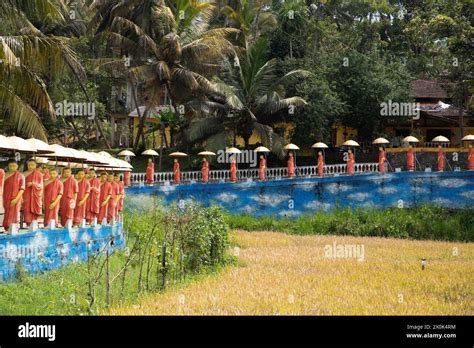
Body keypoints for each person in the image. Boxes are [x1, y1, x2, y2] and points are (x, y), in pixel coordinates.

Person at [2, 161, 25, 232]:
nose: (12, 168)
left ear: (17, 166)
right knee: (7, 212)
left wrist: (16, 199)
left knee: (14, 213)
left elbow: (22, 189)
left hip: (16, 198)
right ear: (8, 166)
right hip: (6, 197)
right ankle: (6, 227)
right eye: (10, 166)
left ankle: (14, 228)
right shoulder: (4, 175)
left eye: (14, 166)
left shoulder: (21, 176)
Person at [22, 159, 43, 226]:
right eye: (29, 165)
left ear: (35, 165)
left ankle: (34, 224)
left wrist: (33, 184)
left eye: (32, 165)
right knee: (27, 208)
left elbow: (41, 186)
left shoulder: (39, 174)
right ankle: (28, 224)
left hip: (35, 196)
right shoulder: (23, 174)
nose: (30, 166)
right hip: (25, 194)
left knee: (33, 211)